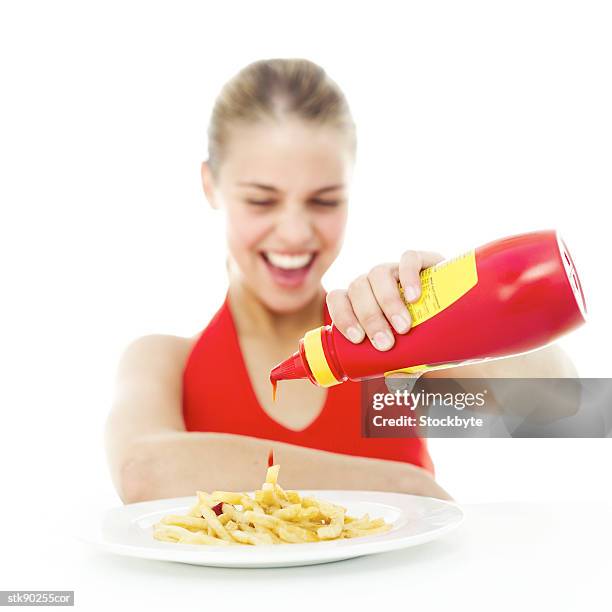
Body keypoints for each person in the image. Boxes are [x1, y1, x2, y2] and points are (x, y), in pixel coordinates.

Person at [105, 58, 577, 504]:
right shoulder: (168, 361)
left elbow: (558, 399)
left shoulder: (391, 346)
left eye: (325, 201)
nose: (294, 232)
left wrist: (454, 319)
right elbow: (144, 471)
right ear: (211, 185)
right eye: (262, 200)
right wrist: (396, 487)